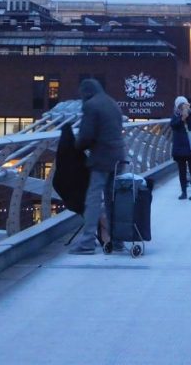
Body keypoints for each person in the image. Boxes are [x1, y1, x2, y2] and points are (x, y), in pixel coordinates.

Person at [69, 79, 126, 254]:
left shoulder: (91, 105)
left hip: (101, 159)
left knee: (93, 199)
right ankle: (118, 240)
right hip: (118, 156)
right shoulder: (112, 102)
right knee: (113, 200)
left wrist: (76, 146)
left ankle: (87, 243)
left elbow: (86, 136)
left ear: (85, 92)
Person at [170, 96, 191, 200]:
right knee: (182, 171)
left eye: (183, 104)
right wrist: (182, 118)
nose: (182, 107)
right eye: (180, 105)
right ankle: (184, 192)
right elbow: (173, 125)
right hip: (180, 147)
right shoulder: (176, 116)